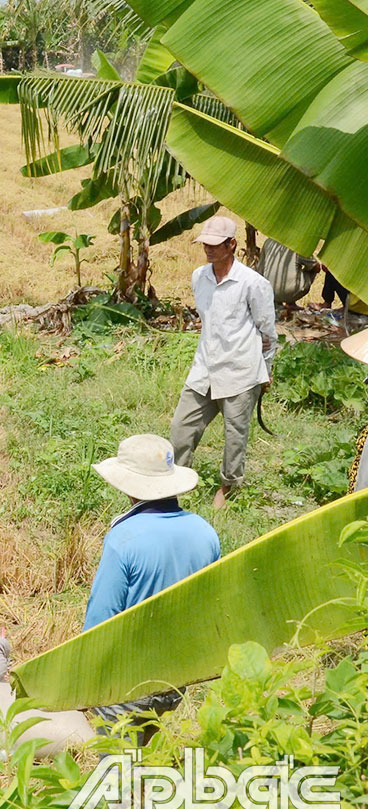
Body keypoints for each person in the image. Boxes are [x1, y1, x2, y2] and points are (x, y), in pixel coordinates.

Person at [85, 433, 222, 742]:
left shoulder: (124, 539)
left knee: (118, 766)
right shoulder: (205, 532)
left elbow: (101, 618)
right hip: (176, 678)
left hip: (127, 681)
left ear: (126, 484)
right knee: (146, 748)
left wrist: (84, 674)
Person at [169, 215, 277, 509]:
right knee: (181, 430)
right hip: (204, 369)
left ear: (232, 244)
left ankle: (227, 488)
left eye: (215, 244)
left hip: (240, 372)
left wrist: (265, 371)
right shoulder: (198, 277)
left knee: (234, 438)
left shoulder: (253, 284)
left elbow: (267, 332)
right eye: (205, 243)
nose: (209, 249)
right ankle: (174, 486)